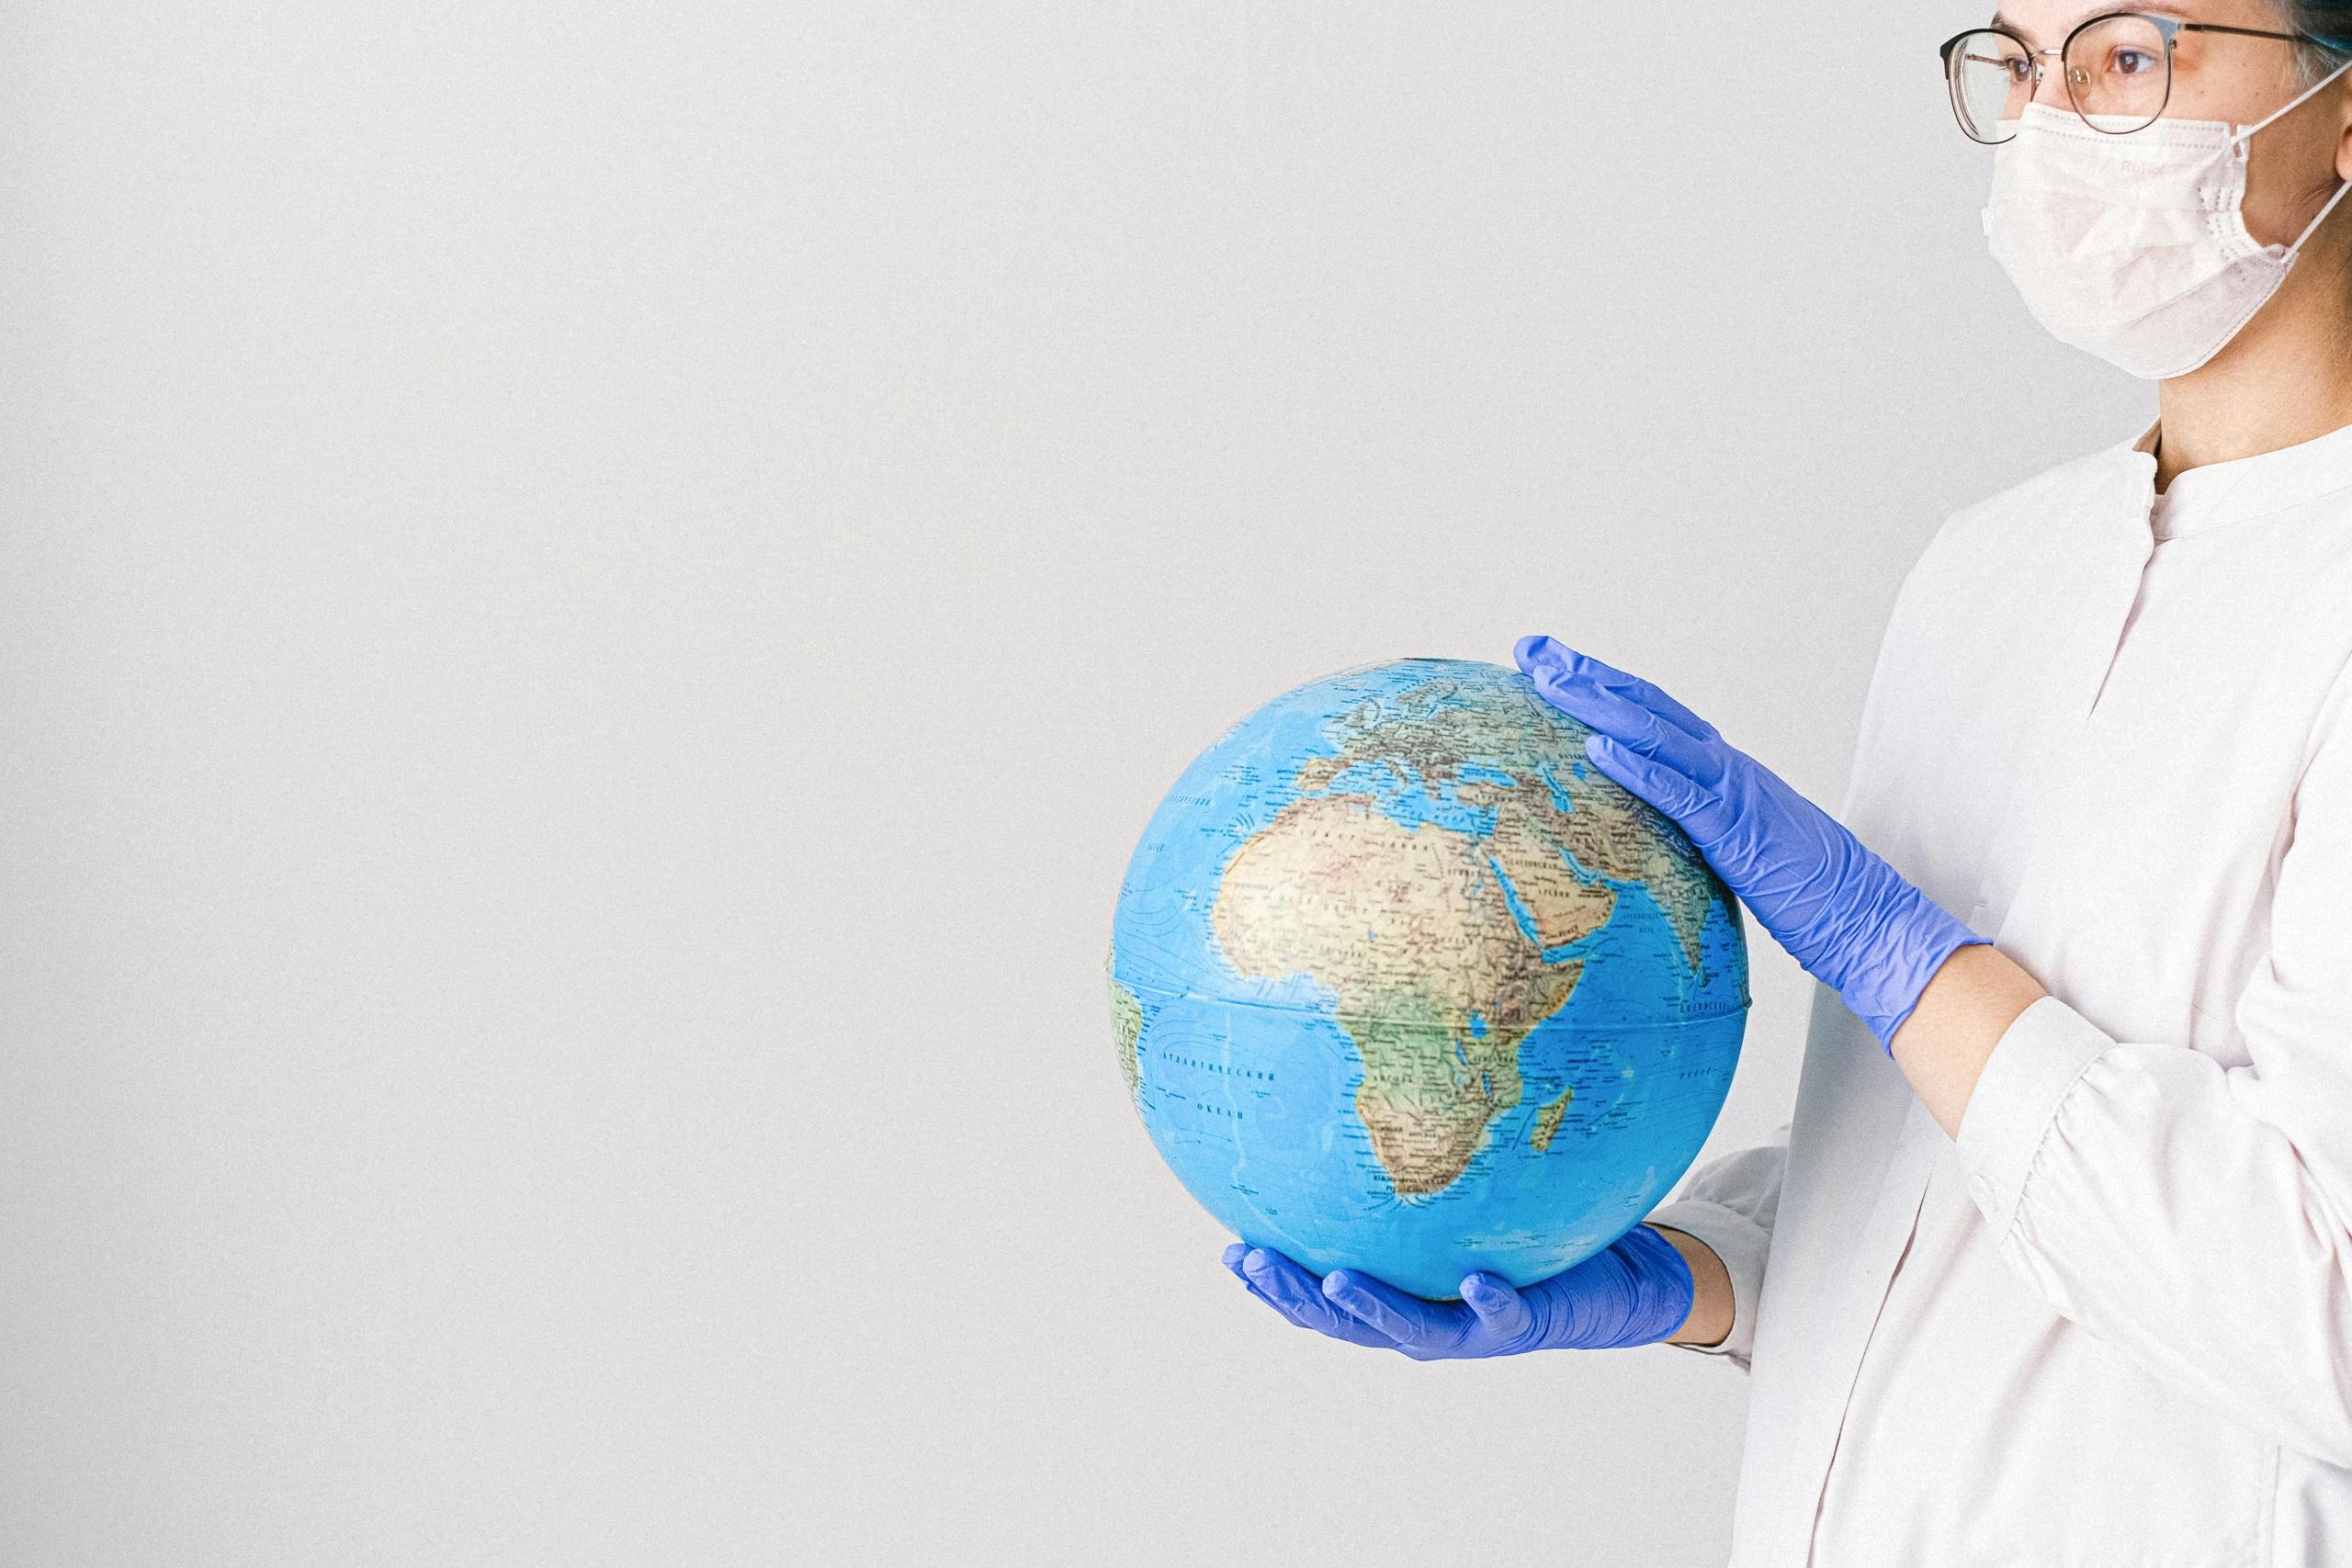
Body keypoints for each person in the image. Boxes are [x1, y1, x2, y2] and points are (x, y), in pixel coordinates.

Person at [1222, 3, 2352, 1561]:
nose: (2051, 123)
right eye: (2019, 65)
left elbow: (2322, 1306)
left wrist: (1912, 961)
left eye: (2129, 54)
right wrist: (1702, 1268)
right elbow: (1953, 1188)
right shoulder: (1988, 573)